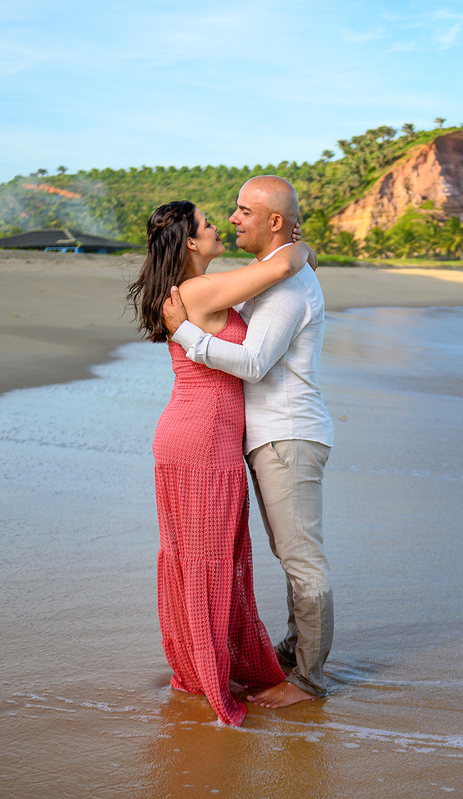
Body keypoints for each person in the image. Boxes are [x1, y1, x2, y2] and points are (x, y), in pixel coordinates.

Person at [127, 199, 311, 725]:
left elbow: (268, 270)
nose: (219, 227)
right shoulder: (200, 290)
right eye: (209, 224)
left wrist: (295, 254)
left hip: (198, 434)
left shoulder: (198, 287)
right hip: (202, 437)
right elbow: (278, 265)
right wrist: (304, 245)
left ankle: (198, 663)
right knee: (208, 561)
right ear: (188, 241)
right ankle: (207, 673)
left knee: (207, 557)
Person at [165, 176, 335, 708]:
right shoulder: (272, 274)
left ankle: (306, 677)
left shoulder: (285, 285)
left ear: (275, 221)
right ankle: (291, 648)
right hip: (267, 437)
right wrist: (296, 252)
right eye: (230, 213)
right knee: (288, 553)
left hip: (286, 434)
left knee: (300, 558)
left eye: (243, 211)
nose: (233, 218)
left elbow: (255, 363)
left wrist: (185, 334)